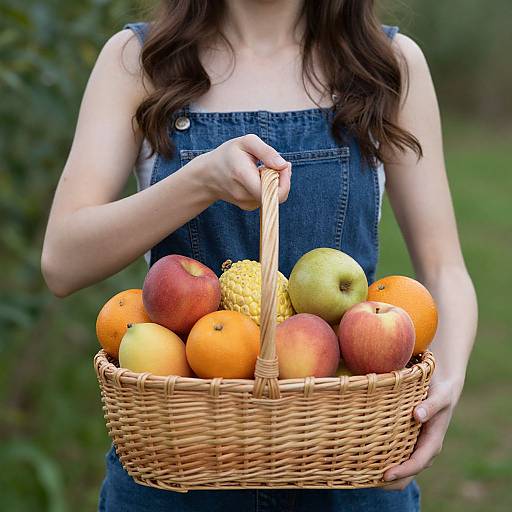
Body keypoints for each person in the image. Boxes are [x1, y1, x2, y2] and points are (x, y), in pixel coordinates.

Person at [41, 1, 478, 511]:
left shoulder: (388, 64)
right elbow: (62, 261)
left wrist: (445, 382)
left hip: (347, 460)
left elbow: (444, 265)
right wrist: (200, 181)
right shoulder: (140, 61)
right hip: (182, 461)